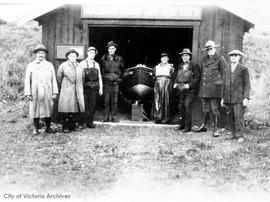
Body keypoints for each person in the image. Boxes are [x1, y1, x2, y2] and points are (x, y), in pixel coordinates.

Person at [195, 40, 228, 137]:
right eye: (207, 49)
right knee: (205, 108)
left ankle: (216, 128)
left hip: (215, 89)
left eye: (211, 48)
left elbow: (225, 75)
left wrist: (222, 89)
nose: (209, 50)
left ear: (215, 49)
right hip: (205, 88)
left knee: (214, 109)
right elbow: (201, 73)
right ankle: (204, 125)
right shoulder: (204, 59)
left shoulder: (220, 59)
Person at [24, 44, 58, 135]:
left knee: (48, 108)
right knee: (35, 109)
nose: (41, 55)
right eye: (39, 53)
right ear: (36, 54)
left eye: (42, 53)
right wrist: (28, 93)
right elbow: (27, 80)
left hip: (47, 90)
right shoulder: (31, 65)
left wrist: (54, 92)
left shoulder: (49, 65)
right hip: (35, 91)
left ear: (45, 54)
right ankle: (36, 128)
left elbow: (53, 79)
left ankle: (48, 127)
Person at [221, 50, 250, 143]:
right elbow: (224, 84)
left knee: (238, 117)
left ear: (239, 57)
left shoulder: (243, 69)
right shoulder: (227, 69)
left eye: (235, 56)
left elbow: (247, 84)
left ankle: (240, 135)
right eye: (231, 56)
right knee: (231, 116)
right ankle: (233, 134)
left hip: (239, 98)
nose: (233, 57)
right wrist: (222, 98)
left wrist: (246, 98)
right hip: (228, 97)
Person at [57, 48, 85, 133]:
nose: (73, 57)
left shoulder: (79, 66)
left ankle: (73, 126)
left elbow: (83, 77)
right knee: (66, 108)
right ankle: (65, 127)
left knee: (75, 108)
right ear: (68, 57)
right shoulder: (63, 65)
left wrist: (78, 86)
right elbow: (59, 77)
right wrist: (65, 86)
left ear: (76, 57)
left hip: (77, 90)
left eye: (75, 56)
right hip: (67, 90)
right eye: (71, 56)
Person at [173, 48, 200, 132]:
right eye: (183, 55)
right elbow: (178, 76)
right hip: (181, 89)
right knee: (181, 107)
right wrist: (175, 83)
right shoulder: (180, 65)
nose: (184, 57)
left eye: (186, 55)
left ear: (189, 56)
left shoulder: (194, 65)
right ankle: (181, 125)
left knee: (187, 106)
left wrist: (189, 85)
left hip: (190, 90)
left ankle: (187, 127)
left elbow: (197, 77)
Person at [100, 41, 124, 122]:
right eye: (110, 48)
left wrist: (119, 79)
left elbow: (123, 70)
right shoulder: (103, 58)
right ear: (108, 49)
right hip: (106, 83)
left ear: (115, 49)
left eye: (113, 48)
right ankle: (105, 118)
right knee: (106, 101)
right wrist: (104, 78)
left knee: (115, 101)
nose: (111, 50)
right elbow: (100, 70)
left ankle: (114, 118)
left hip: (115, 83)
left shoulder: (119, 58)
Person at [80, 46, 103, 128]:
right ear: (87, 53)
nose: (92, 54)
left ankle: (90, 122)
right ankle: (82, 123)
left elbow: (99, 76)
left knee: (92, 105)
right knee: (84, 105)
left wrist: (101, 88)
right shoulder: (82, 63)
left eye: (94, 53)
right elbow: (80, 77)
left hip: (94, 88)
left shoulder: (96, 64)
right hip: (85, 87)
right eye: (91, 52)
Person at [153, 52, 174, 124]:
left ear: (168, 59)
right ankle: (158, 118)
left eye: (166, 57)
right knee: (158, 100)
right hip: (158, 83)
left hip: (167, 84)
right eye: (162, 58)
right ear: (160, 59)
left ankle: (167, 119)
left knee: (167, 100)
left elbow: (173, 76)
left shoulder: (171, 67)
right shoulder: (156, 67)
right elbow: (153, 76)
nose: (164, 59)